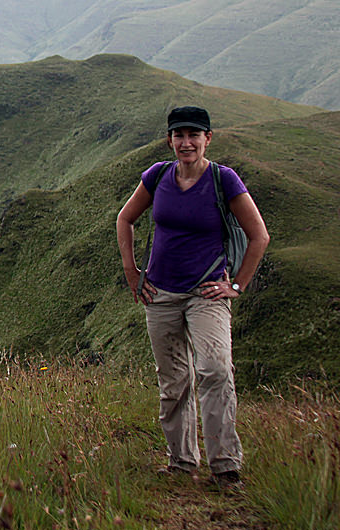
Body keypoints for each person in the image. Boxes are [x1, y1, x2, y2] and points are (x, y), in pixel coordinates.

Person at [115, 106, 270, 489]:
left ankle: (225, 465)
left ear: (207, 138)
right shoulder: (158, 176)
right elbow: (125, 218)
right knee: (174, 379)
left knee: (215, 370)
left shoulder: (223, 179)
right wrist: (132, 272)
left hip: (206, 293)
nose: (186, 143)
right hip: (161, 293)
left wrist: (237, 285)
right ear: (170, 140)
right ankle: (181, 462)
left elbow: (259, 236)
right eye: (179, 135)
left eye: (194, 135)